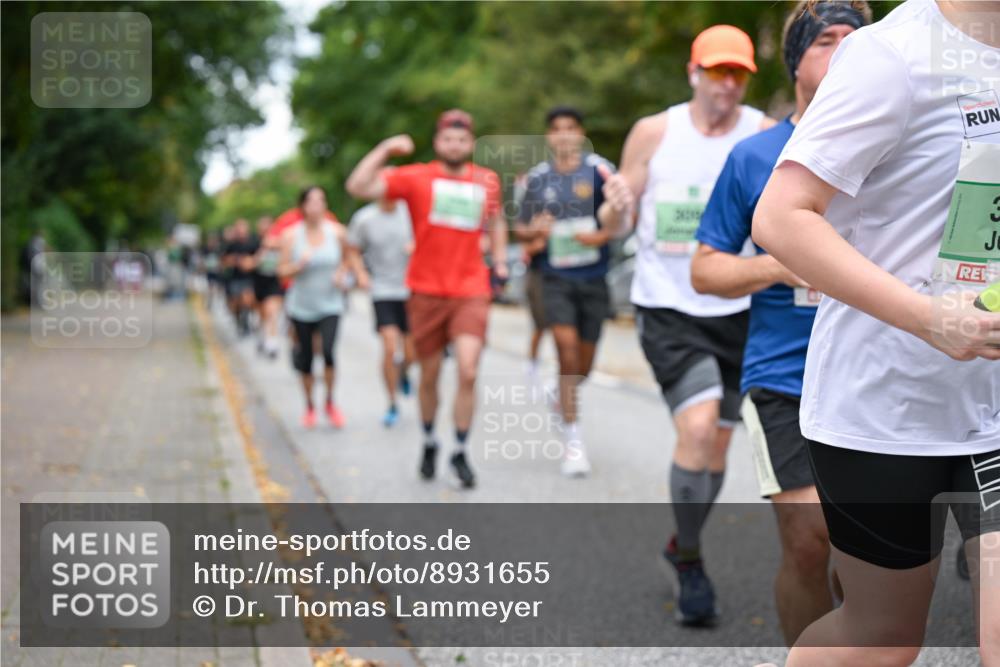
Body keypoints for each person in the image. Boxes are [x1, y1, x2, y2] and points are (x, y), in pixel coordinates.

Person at [752, 0, 999, 664]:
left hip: (995, 407)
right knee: (882, 640)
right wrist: (929, 318)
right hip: (885, 401)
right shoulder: (892, 56)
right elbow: (781, 218)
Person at [690, 1, 870, 644]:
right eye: (828, 39)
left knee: (866, 558)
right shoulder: (755, 156)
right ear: (796, 60)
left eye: (858, 39)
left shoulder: (900, 148)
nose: (846, 49)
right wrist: (777, 267)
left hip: (875, 372)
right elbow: (705, 271)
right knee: (807, 539)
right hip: (783, 375)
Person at [598, 25, 775, 626]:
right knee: (698, 428)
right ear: (693, 72)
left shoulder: (759, 134)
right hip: (669, 306)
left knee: (719, 442)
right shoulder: (655, 132)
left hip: (739, 306)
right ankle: (693, 562)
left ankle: (680, 543)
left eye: (738, 73)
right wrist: (616, 205)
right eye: (717, 71)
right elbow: (615, 223)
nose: (728, 83)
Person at [346, 109, 508, 489]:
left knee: (468, 369)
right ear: (438, 143)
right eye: (448, 139)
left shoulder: (486, 181)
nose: (455, 145)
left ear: (471, 144)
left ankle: (460, 450)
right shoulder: (416, 176)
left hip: (471, 289)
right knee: (429, 374)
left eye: (462, 139)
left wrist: (499, 260)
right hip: (425, 290)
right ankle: (431, 440)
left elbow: (497, 221)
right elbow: (357, 185)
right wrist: (386, 148)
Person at [514, 106, 615, 477]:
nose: (564, 135)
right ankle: (574, 442)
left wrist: (602, 234)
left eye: (570, 128)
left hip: (593, 278)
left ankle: (561, 395)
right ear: (548, 137)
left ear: (581, 133)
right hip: (554, 278)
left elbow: (623, 216)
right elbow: (520, 229)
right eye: (556, 129)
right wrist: (534, 231)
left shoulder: (601, 171)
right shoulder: (536, 180)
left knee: (582, 366)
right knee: (565, 350)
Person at [277, 186, 352, 430]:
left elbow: (349, 260)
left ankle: (330, 402)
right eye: (311, 201)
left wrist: (342, 275)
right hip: (301, 306)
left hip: (331, 303)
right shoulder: (290, 236)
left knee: (329, 352)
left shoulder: (338, 232)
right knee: (306, 358)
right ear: (303, 207)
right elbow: (281, 271)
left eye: (321, 200)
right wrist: (298, 265)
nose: (317, 206)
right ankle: (309, 405)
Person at [346, 183, 416, 428]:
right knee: (389, 348)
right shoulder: (364, 218)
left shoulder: (412, 210)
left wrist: (418, 249)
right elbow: (352, 249)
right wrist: (361, 273)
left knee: (410, 352)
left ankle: (405, 373)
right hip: (382, 289)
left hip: (412, 288)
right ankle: (392, 403)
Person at [251, 216, 284, 359]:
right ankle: (262, 336)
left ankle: (272, 343)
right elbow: (249, 264)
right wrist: (262, 251)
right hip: (258, 283)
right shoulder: (253, 244)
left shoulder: (280, 243)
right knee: (262, 314)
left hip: (274, 283)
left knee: (272, 312)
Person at [222, 219, 259, 336]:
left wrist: (250, 262)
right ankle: (240, 320)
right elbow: (224, 261)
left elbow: (259, 258)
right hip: (235, 278)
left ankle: (246, 320)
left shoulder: (253, 242)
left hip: (249, 277)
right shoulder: (232, 245)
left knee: (248, 299)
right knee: (237, 303)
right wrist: (234, 260)